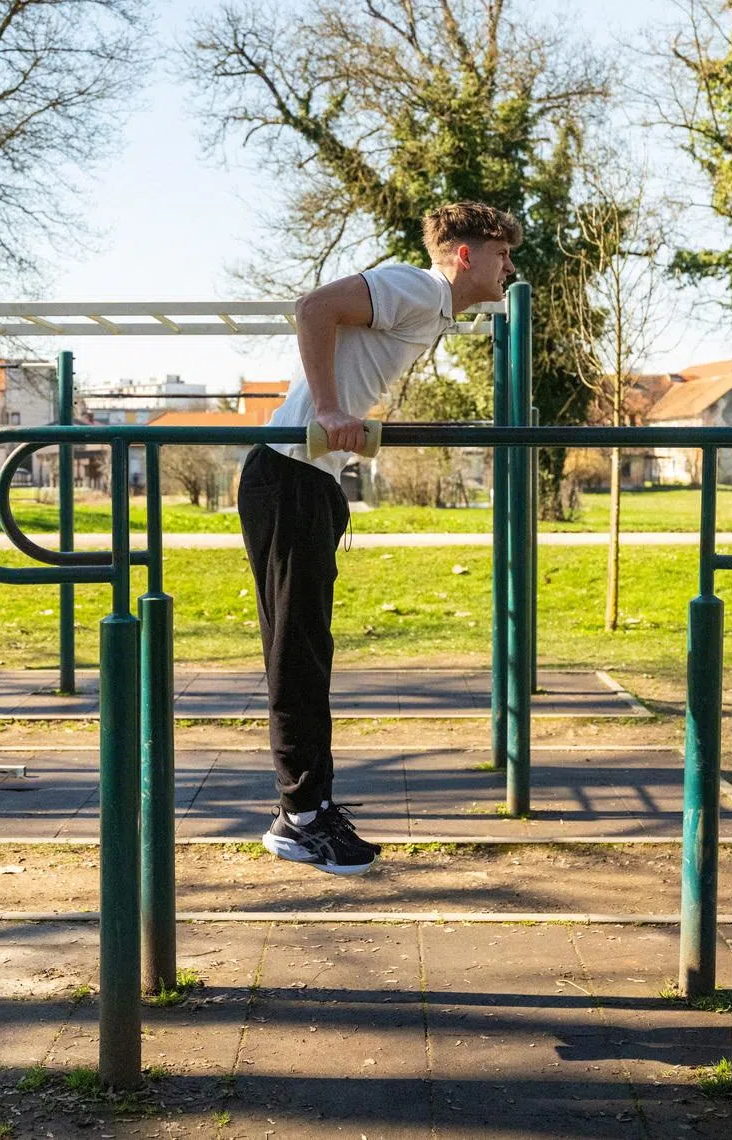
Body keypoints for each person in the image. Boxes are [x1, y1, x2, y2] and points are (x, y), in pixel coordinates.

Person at [237, 201, 522, 876]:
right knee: (298, 653)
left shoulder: (431, 310)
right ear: (464, 256)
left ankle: (308, 807)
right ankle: (300, 819)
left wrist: (347, 428)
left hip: (308, 479)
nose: (509, 267)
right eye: (501, 254)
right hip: (288, 476)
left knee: (309, 649)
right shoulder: (417, 287)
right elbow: (313, 308)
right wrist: (330, 409)